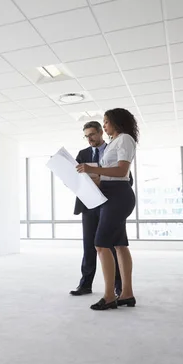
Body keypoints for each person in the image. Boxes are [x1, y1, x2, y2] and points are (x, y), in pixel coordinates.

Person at [76, 108, 138, 311]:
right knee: (119, 244)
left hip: (118, 195)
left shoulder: (125, 139)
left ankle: (110, 296)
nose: (104, 125)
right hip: (109, 193)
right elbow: (110, 174)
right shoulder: (116, 141)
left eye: (106, 122)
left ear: (116, 122)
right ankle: (127, 294)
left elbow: (122, 171)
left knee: (101, 244)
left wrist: (92, 169)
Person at [70, 121, 123, 297]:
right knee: (89, 245)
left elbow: (126, 178)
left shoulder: (113, 150)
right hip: (88, 204)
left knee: (111, 245)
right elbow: (75, 178)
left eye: (92, 134)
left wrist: (102, 178)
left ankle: (118, 286)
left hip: (109, 203)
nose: (89, 139)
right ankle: (85, 285)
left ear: (101, 132)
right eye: (86, 136)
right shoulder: (82, 154)